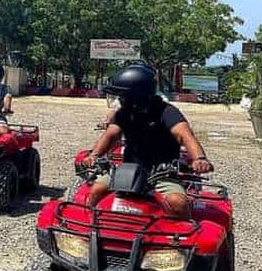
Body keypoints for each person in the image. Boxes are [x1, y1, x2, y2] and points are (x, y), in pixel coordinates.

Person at [82, 64, 213, 218]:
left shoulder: (166, 111)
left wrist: (199, 159)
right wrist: (94, 155)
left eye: (122, 96)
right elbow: (110, 135)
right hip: (128, 169)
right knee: (97, 190)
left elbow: (185, 135)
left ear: (136, 96)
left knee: (178, 202)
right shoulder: (124, 113)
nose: (119, 100)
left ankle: (182, 238)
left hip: (162, 172)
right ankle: (89, 230)